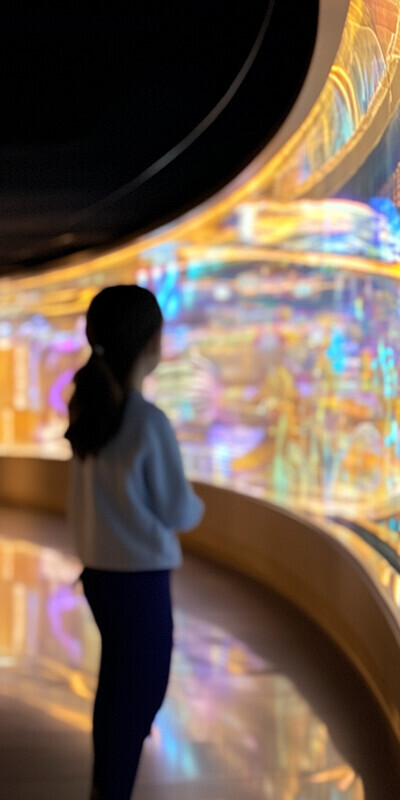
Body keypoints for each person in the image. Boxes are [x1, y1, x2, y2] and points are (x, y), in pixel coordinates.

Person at [65, 285, 205, 800]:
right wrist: (198, 509)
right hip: (140, 586)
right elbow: (176, 509)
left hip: (99, 579)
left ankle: (107, 783)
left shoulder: (88, 413)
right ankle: (111, 790)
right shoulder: (148, 422)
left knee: (117, 690)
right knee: (140, 694)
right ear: (150, 341)